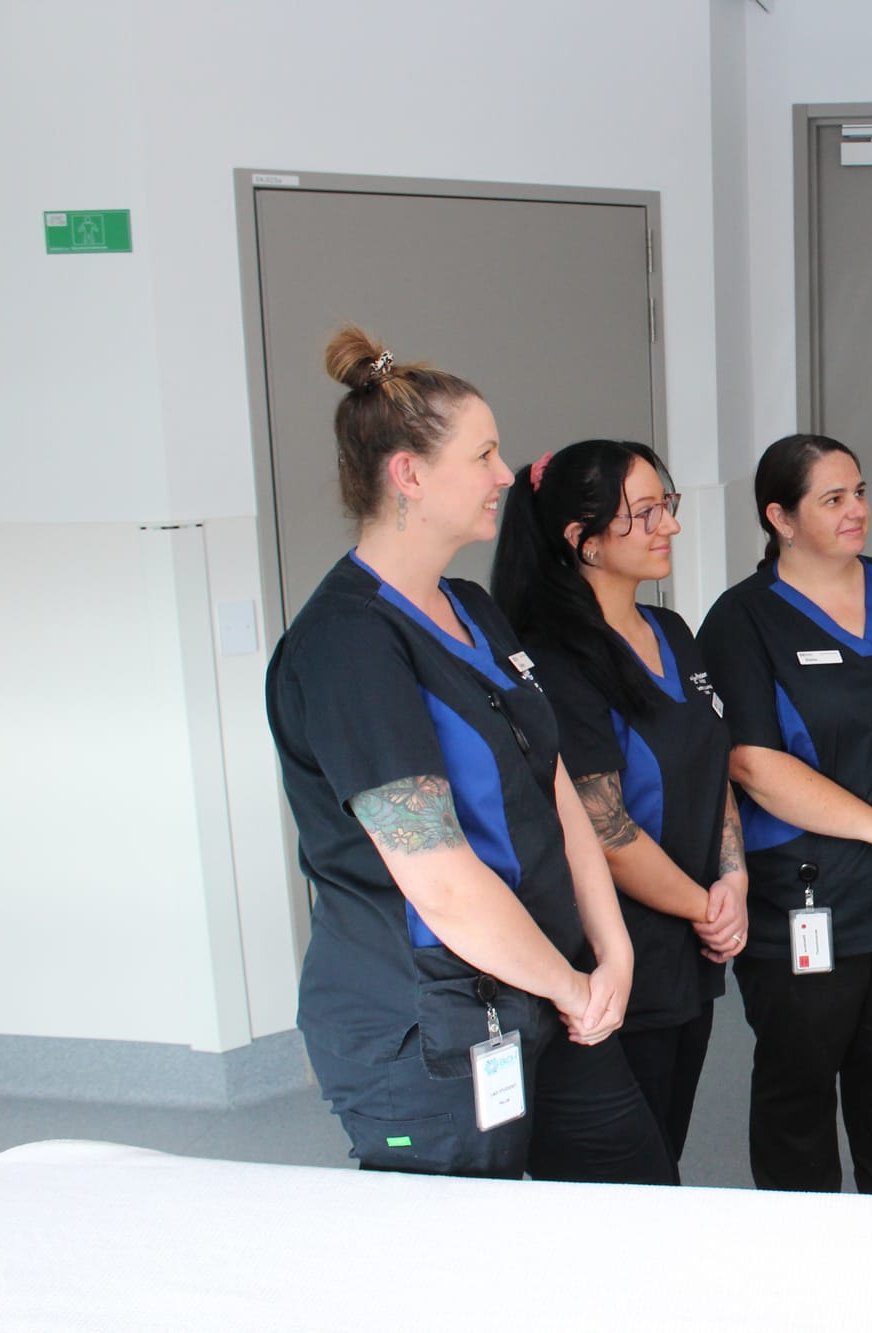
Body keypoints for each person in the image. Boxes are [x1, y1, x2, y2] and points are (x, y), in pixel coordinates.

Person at [265, 326, 669, 1182]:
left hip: (553, 986)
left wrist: (611, 951)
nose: (502, 474)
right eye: (483, 454)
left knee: (635, 1205)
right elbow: (439, 879)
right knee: (460, 1269)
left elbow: (553, 782)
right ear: (408, 475)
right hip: (433, 1024)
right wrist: (567, 985)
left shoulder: (473, 608)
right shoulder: (346, 648)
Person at [697, 434, 872, 1197]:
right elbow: (752, 760)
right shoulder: (741, 619)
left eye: (859, 491)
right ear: (780, 518)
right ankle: (804, 1240)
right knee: (799, 1070)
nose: (857, 509)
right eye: (832, 498)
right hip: (807, 891)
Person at [491, 439, 746, 1173]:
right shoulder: (557, 661)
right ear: (584, 541)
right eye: (644, 513)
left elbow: (713, 759)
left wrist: (734, 880)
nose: (668, 524)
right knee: (627, 1177)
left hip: (692, 944)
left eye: (667, 505)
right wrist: (706, 904)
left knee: (666, 1146)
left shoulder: (672, 633)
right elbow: (603, 829)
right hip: (615, 951)